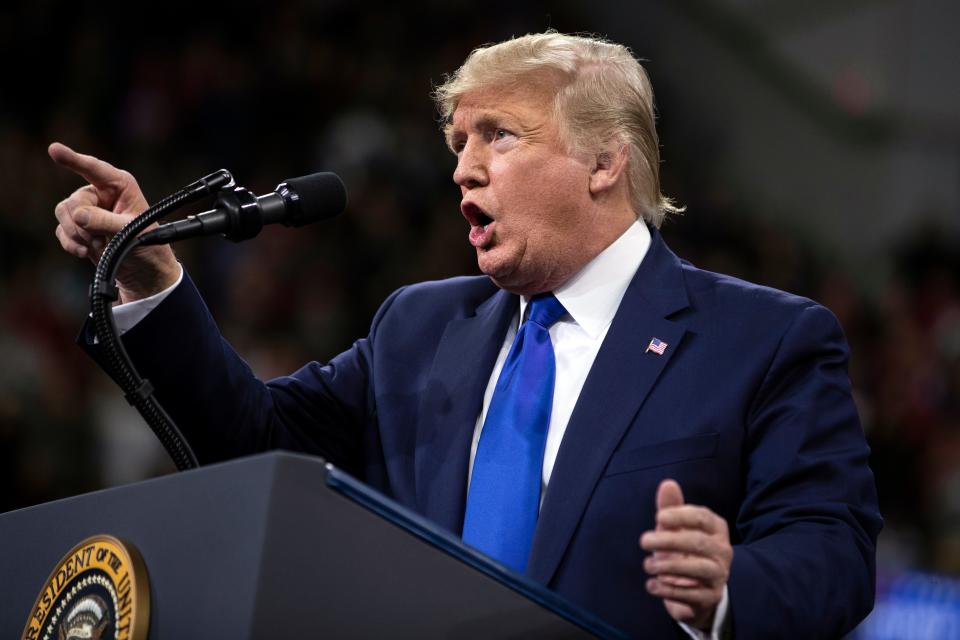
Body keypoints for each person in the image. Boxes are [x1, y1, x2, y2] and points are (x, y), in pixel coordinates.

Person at [51, 32, 881, 639]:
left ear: (604, 163)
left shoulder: (765, 341)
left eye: (500, 136)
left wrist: (734, 584)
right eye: (458, 143)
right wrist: (155, 285)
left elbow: (832, 552)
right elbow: (254, 441)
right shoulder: (418, 328)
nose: (462, 169)